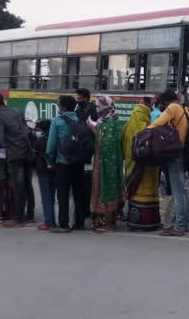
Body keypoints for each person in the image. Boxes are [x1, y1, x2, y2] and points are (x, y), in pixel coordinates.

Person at [149, 90, 189, 236]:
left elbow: (157, 123)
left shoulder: (173, 108)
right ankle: (182, 222)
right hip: (183, 153)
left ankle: (180, 225)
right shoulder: (186, 110)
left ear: (167, 101)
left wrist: (143, 132)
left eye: (163, 104)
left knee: (178, 190)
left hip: (174, 153)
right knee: (180, 188)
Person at [0, 91, 34, 228]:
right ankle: (29, 215)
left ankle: (18, 218)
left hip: (15, 154)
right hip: (27, 151)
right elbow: (26, 130)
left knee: (18, 186)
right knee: (27, 185)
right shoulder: (17, 111)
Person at [47, 95, 85, 233]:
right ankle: (79, 222)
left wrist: (50, 159)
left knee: (63, 194)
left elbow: (51, 145)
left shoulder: (57, 121)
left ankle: (63, 223)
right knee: (78, 193)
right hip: (78, 162)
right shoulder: (80, 120)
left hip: (63, 162)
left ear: (62, 106)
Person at [122, 102, 160, 230]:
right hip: (148, 170)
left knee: (135, 191)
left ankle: (134, 221)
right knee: (147, 192)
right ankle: (150, 222)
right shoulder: (148, 129)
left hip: (131, 166)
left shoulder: (127, 127)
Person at [89, 96, 125, 233]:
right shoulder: (111, 121)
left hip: (106, 165)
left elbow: (105, 144)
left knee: (107, 190)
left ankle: (109, 223)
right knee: (110, 190)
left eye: (99, 107)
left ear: (106, 107)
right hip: (110, 164)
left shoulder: (108, 124)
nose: (97, 109)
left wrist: (94, 129)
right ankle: (109, 221)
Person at [33, 119, 56, 231]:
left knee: (46, 198)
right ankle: (52, 220)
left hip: (43, 171)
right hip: (54, 171)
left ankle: (49, 222)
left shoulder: (39, 141)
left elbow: (35, 156)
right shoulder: (55, 140)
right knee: (51, 197)